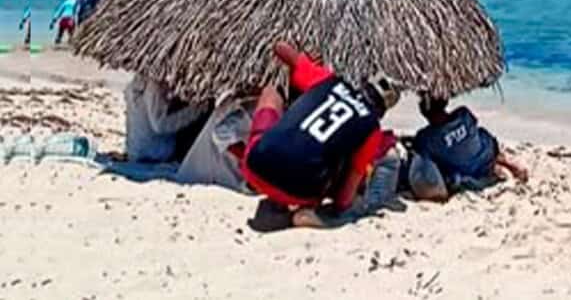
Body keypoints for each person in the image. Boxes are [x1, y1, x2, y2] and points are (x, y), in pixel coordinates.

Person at [241, 42, 399, 227]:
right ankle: (299, 212)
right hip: (302, 193)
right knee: (342, 160)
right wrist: (341, 208)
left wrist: (293, 51)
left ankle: (256, 179)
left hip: (255, 166)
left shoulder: (328, 80)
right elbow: (348, 188)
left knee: (271, 93)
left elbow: (283, 51)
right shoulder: (372, 129)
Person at [405, 95, 527, 201]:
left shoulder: (426, 137)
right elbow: (473, 125)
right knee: (480, 135)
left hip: (466, 171)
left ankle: (496, 166)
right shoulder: (463, 114)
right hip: (485, 153)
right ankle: (504, 162)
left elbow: (420, 155)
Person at [123, 73, 210, 163]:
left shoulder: (136, 84)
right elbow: (160, 125)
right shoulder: (154, 85)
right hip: (154, 153)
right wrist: (197, 110)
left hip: (136, 151)